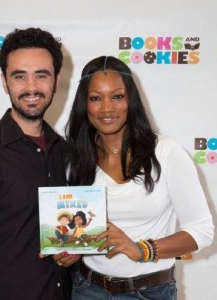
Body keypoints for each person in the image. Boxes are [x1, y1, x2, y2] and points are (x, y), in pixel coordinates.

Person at [63, 56, 214, 300]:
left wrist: (141, 249)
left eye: (117, 96)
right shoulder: (75, 157)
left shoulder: (166, 153)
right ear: (85, 104)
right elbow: (80, 230)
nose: (107, 108)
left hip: (150, 293)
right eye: (95, 98)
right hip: (87, 290)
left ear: (131, 99)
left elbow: (202, 231)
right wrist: (70, 250)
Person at [0, 27, 77, 300]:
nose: (31, 87)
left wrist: (75, 251)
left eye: (41, 75)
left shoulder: (65, 151)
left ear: (56, 81)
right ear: (5, 82)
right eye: (19, 76)